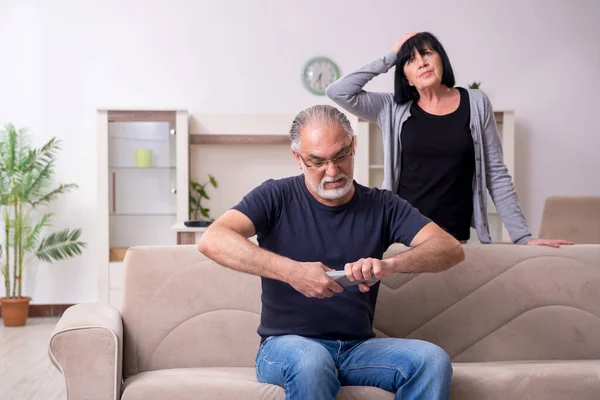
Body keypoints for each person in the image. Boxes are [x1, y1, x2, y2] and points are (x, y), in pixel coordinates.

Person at [198, 105, 465, 400]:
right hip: (285, 346)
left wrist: (387, 265)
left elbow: (450, 249)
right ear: (298, 159)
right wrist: (293, 272)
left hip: (358, 348)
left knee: (432, 360)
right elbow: (213, 239)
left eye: (340, 156)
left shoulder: (383, 205)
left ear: (353, 146)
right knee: (312, 361)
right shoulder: (275, 196)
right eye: (317, 161)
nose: (333, 171)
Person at [326, 32, 573, 248]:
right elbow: (338, 91)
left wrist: (522, 237)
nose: (421, 62)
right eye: (411, 60)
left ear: (440, 59)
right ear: (406, 77)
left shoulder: (476, 103)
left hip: (455, 238)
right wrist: (391, 56)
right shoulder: (391, 107)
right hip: (402, 235)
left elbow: (496, 173)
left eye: (426, 54)